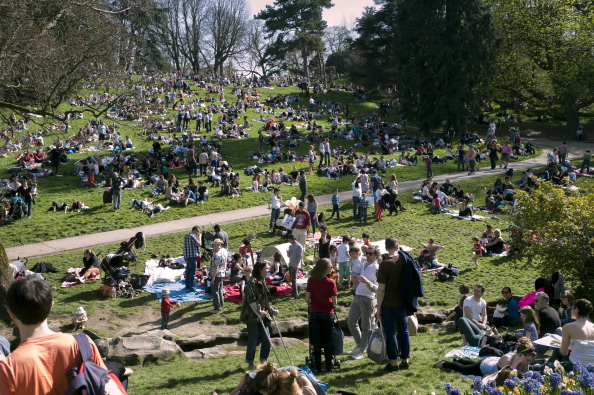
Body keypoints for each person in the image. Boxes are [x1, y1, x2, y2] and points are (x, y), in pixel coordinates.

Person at [0, 276, 107, 394]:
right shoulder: (83, 344)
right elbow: (105, 385)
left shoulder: (8, 367)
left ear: (11, 313)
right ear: (51, 306)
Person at [376, 237, 415, 372]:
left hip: (388, 303)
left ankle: (393, 362)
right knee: (404, 331)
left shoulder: (385, 264)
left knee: (391, 332)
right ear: (397, 246)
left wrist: (378, 307)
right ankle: (405, 360)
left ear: (386, 248)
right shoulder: (405, 260)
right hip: (403, 301)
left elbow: (381, 289)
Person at [433, 337, 536, 378]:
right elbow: (507, 377)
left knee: (472, 363)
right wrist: (516, 363)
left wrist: (526, 364)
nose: (528, 363)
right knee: (465, 369)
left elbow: (525, 375)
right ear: (520, 355)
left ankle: (461, 360)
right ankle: (444, 363)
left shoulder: (523, 360)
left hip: (494, 362)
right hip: (485, 365)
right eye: (527, 360)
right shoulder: (507, 359)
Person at [240, 261, 278, 370]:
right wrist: (258, 310)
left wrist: (271, 309)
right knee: (253, 339)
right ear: (260, 269)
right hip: (252, 315)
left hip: (264, 314)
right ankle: (250, 362)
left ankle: (263, 360)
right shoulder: (252, 282)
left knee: (267, 338)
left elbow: (265, 298)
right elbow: (251, 299)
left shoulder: (263, 281)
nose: (268, 270)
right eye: (266, 268)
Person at [305, 258, 338, 372]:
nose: (332, 269)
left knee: (317, 341)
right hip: (327, 313)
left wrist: (312, 300)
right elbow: (334, 302)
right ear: (325, 269)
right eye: (330, 267)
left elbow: (306, 299)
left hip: (314, 312)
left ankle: (318, 366)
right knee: (328, 339)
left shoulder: (311, 280)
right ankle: (329, 365)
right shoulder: (331, 282)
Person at [348, 246, 380, 360]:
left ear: (376, 256)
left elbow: (378, 288)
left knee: (365, 326)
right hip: (357, 296)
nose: (368, 255)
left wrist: (367, 283)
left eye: (370, 254)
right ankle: (359, 345)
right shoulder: (363, 265)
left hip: (368, 299)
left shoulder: (377, 269)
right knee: (351, 322)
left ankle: (362, 350)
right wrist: (354, 279)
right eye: (366, 253)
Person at [210, 238, 228, 313]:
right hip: (223, 273)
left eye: (215, 244)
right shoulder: (224, 251)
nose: (213, 246)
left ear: (219, 244)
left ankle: (217, 307)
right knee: (220, 289)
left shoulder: (217, 255)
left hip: (217, 274)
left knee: (215, 291)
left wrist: (213, 277)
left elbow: (216, 267)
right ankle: (221, 303)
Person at [183, 226, 201, 292]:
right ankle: (192, 287)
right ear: (195, 230)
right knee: (192, 272)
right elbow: (199, 244)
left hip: (187, 256)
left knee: (188, 271)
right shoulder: (192, 236)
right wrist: (199, 237)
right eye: (198, 232)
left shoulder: (186, 236)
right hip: (192, 256)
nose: (197, 233)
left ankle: (187, 285)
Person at [287, 234, 303, 300]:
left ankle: (295, 294)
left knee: (294, 279)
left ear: (293, 239)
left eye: (289, 239)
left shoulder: (299, 246)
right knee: (291, 279)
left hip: (295, 265)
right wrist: (288, 253)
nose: (289, 241)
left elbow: (300, 256)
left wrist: (297, 265)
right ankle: (293, 292)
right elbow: (289, 256)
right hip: (290, 264)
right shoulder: (290, 246)